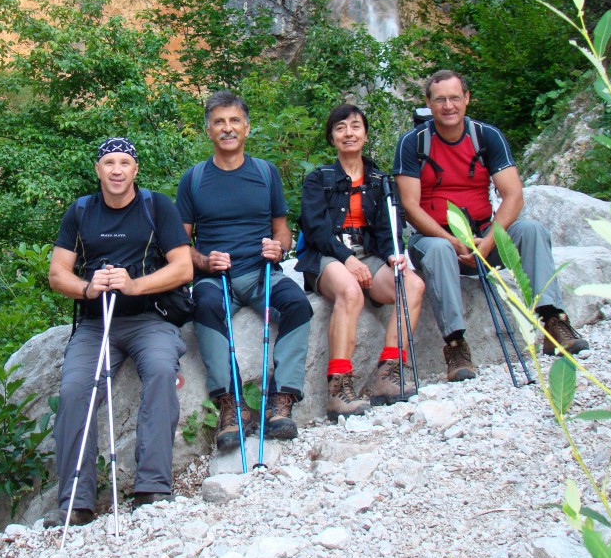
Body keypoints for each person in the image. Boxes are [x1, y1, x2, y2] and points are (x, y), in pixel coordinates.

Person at [393, 70, 589, 382]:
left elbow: (513, 195)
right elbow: (411, 207)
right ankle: (455, 344)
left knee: (532, 230)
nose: (448, 106)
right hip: (433, 238)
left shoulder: (486, 136)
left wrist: (488, 240)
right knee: (441, 248)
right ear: (428, 103)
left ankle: (553, 321)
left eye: (455, 98)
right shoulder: (412, 143)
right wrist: (452, 239)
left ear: (467, 99)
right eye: (440, 99)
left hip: (486, 233)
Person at [45, 137, 192, 527]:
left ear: (135, 169)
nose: (116, 170)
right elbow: (58, 273)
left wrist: (134, 285)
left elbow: (183, 268)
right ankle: (77, 501)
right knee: (75, 389)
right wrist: (88, 288)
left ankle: (152, 487)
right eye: (108, 162)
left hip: (149, 318)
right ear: (98, 170)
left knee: (162, 372)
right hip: (96, 324)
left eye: (124, 163)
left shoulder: (156, 206)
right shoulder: (81, 211)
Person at [177, 91, 313, 450]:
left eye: (234, 121)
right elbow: (180, 246)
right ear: (208, 130)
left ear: (247, 128)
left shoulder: (265, 173)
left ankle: (281, 400)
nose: (227, 128)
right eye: (219, 122)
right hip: (214, 278)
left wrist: (279, 246)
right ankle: (232, 405)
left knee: (298, 304)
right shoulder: (193, 180)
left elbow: (281, 228)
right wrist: (204, 261)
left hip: (260, 273)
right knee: (203, 308)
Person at [297, 104, 425, 419]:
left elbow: (388, 228)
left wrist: (394, 253)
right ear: (332, 137)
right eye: (340, 128)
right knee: (351, 292)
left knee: (412, 284)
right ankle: (338, 388)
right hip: (326, 256)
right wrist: (346, 260)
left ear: (365, 134)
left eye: (355, 126)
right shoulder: (318, 179)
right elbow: (314, 229)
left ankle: (389, 371)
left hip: (368, 256)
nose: (348, 133)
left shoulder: (381, 180)